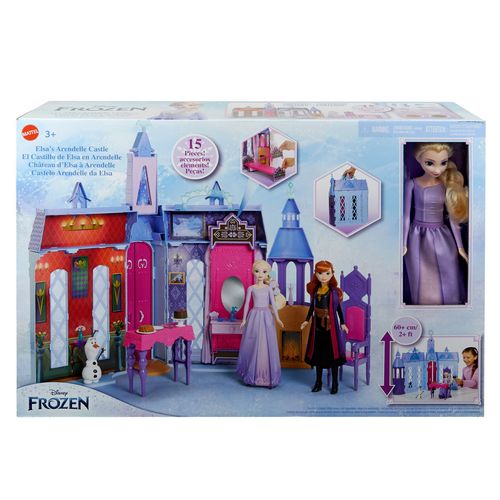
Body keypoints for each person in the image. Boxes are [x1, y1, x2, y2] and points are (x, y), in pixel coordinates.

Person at [403, 143, 468, 305]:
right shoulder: (412, 184)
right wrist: (403, 243)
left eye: (443, 163)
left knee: (448, 270)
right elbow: (405, 217)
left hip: (441, 236)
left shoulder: (446, 185)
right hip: (417, 236)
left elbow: (453, 218)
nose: (437, 169)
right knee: (421, 275)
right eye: (430, 163)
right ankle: (423, 306)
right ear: (418, 160)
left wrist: (460, 247)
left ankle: (449, 305)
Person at [300, 260, 348, 394]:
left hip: (330, 328)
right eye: (320, 273)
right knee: (318, 356)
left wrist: (342, 323)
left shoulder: (333, 292)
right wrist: (306, 320)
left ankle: (335, 384)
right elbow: (312, 307)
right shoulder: (316, 290)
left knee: (333, 356)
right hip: (317, 328)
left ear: (332, 274)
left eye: (327, 273)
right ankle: (318, 382)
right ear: (316, 274)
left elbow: (338, 308)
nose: (323, 276)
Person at [236, 260, 284, 388]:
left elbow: (273, 304)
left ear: (267, 273)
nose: (260, 274)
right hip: (254, 316)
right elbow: (247, 304)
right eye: (257, 271)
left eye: (264, 272)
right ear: (253, 272)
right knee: (253, 343)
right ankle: (253, 375)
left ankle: (266, 376)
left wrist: (278, 318)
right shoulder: (251, 288)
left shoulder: (268, 289)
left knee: (266, 344)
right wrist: (244, 319)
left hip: (266, 316)